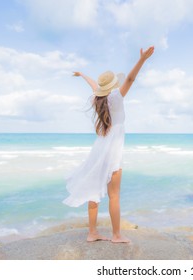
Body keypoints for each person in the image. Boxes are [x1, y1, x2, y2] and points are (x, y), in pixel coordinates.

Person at [63, 46, 155, 243]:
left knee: (92, 188)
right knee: (114, 195)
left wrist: (82, 75)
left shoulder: (99, 99)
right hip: (113, 150)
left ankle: (92, 232)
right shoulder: (116, 97)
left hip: (101, 146)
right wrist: (142, 60)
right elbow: (130, 79)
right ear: (113, 85)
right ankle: (116, 235)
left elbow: (94, 86)